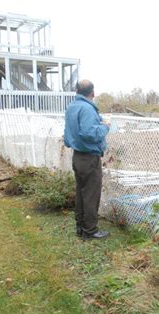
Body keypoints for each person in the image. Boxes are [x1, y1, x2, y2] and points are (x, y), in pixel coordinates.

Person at [64, 79, 110, 240]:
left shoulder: (72, 107)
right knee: (91, 194)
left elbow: (71, 131)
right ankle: (90, 230)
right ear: (93, 93)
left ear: (76, 91)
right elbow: (89, 133)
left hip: (77, 155)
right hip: (89, 157)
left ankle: (80, 226)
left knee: (81, 192)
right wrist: (105, 126)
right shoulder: (88, 109)